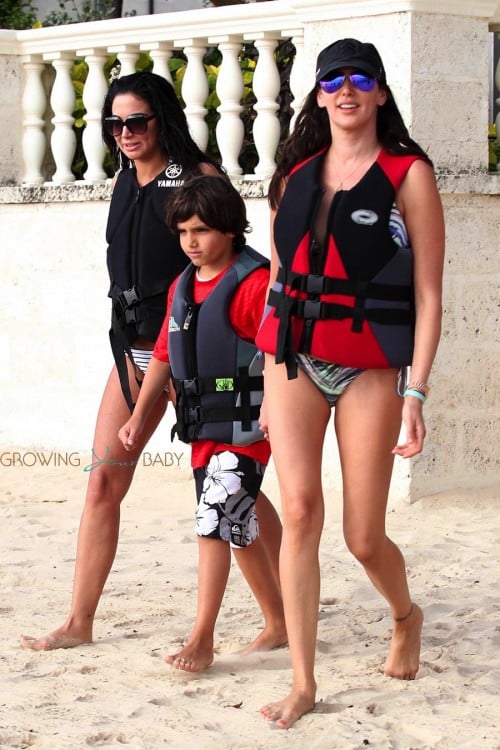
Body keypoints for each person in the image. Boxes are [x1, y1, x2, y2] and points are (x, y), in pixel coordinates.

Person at [256, 38, 445, 728]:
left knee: (364, 536)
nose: (346, 88)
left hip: (369, 366)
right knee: (301, 511)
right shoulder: (293, 176)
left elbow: (428, 295)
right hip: (294, 360)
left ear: (382, 94)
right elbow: (279, 280)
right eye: (333, 79)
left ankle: (405, 613)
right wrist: (265, 374)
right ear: (317, 95)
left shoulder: (408, 175)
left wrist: (416, 392)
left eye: (361, 77)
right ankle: (303, 682)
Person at [20, 71, 223, 651]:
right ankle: (79, 622)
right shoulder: (124, 180)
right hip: (133, 350)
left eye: (137, 121)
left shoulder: (197, 177)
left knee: (227, 485)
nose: (126, 132)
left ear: (162, 117)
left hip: (188, 350)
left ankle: (282, 612)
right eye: (116, 123)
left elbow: (224, 266)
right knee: (103, 480)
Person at [118, 175, 286, 671]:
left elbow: (277, 352)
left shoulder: (254, 283)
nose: (191, 242)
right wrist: (138, 415)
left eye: (202, 231)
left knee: (213, 518)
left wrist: (275, 410)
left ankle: (201, 637)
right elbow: (166, 355)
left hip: (247, 428)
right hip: (201, 428)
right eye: (184, 232)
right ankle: (277, 624)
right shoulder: (183, 286)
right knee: (239, 527)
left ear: (231, 229)